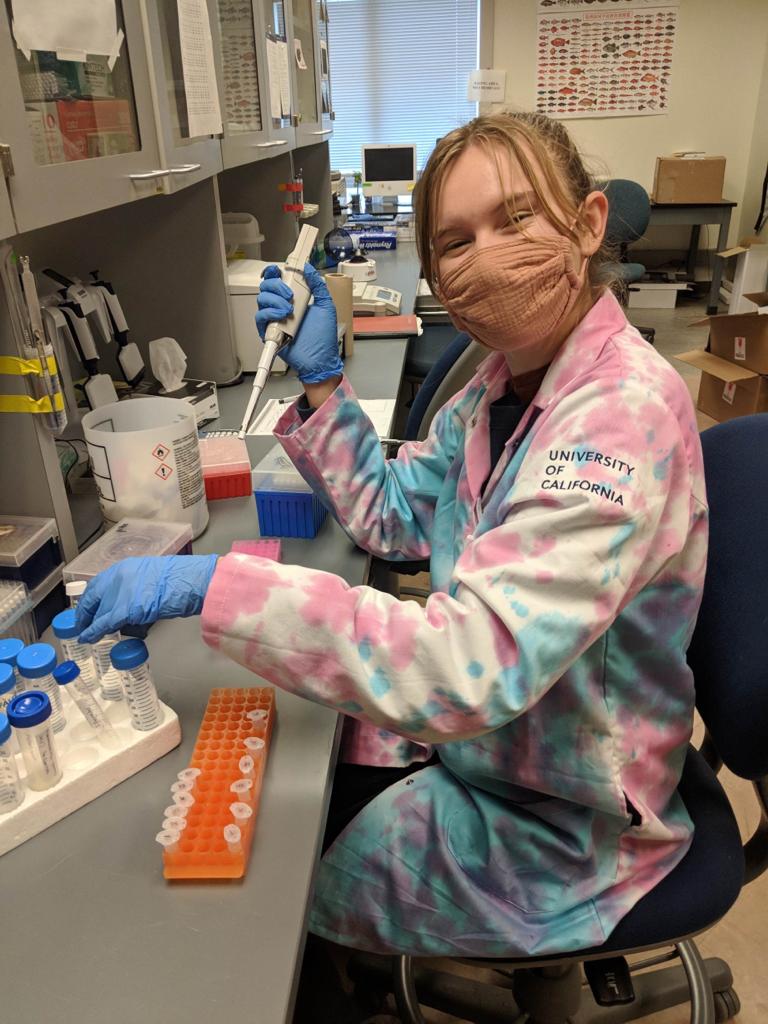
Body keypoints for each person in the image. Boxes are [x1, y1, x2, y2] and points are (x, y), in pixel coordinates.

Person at [76, 113, 707, 966]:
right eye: (454, 241)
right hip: (493, 747)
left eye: (516, 219)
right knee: (295, 782)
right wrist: (326, 382)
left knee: (269, 906)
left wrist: (212, 585)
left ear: (589, 223)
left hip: (565, 811)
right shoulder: (505, 380)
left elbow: (464, 668)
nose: (484, 257)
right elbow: (399, 516)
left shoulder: (619, 417)